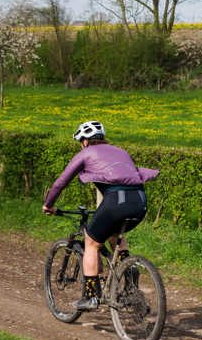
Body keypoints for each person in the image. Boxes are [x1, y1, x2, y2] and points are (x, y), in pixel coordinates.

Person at [42, 120, 159, 311]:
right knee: (114, 236)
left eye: (81, 141)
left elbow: (61, 182)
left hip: (116, 201)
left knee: (91, 242)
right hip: (139, 200)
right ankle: (130, 283)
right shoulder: (121, 151)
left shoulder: (86, 153)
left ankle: (91, 297)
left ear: (85, 141)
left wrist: (48, 204)